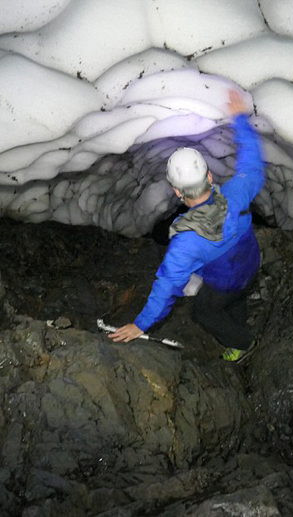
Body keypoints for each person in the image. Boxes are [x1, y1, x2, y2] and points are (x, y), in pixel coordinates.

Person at [108, 89, 265, 362]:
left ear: (178, 193)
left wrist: (140, 325)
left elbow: (167, 286)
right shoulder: (237, 193)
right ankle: (239, 323)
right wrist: (240, 118)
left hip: (223, 282)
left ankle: (242, 342)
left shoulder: (186, 242)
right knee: (236, 297)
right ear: (209, 175)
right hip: (251, 265)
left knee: (203, 312)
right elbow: (252, 162)